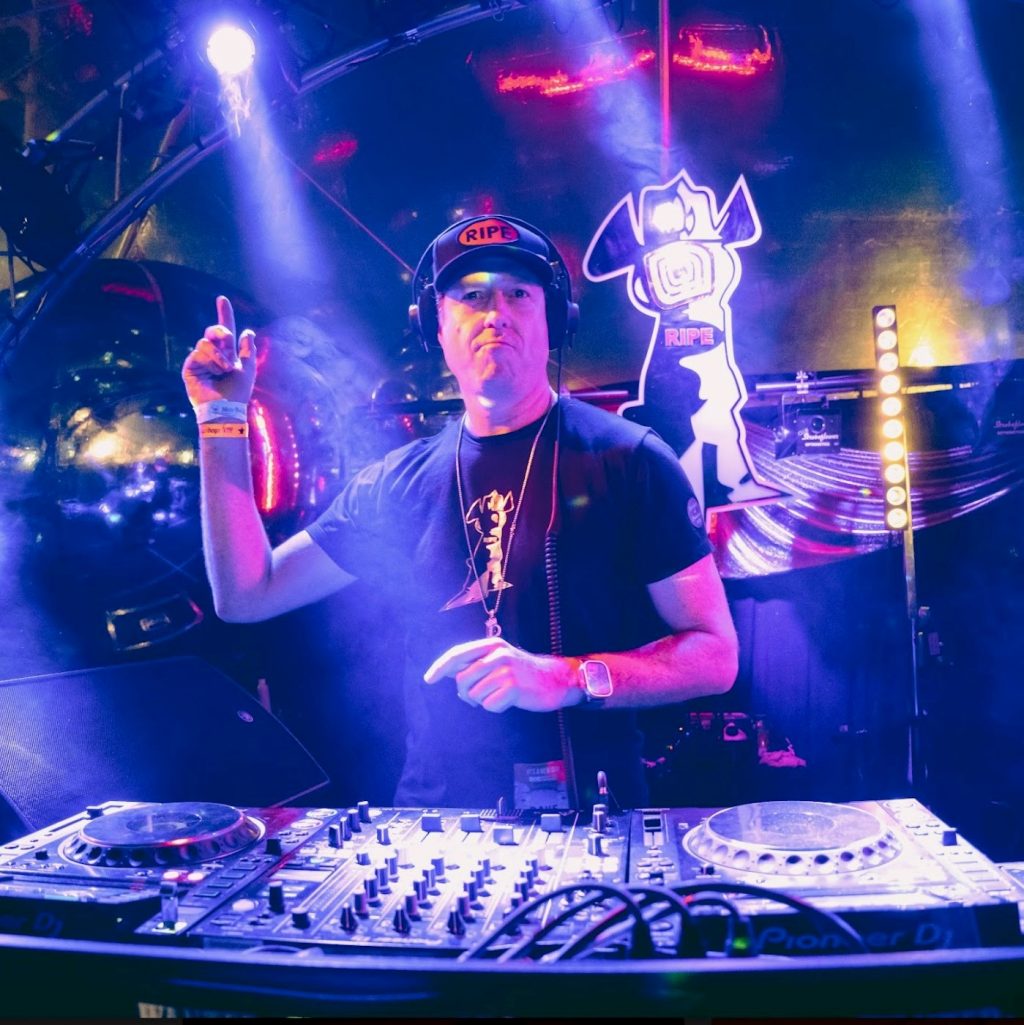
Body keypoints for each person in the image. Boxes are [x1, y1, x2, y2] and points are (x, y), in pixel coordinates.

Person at [182, 214, 738, 811]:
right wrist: (221, 421)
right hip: (437, 821)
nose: (495, 312)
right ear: (435, 330)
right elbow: (246, 594)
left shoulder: (630, 461)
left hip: (594, 817)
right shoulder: (395, 485)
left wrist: (568, 678)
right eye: (471, 295)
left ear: (555, 323)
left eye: (518, 294)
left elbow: (715, 655)